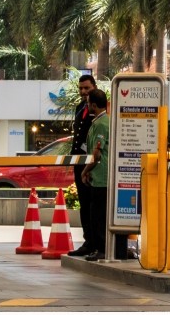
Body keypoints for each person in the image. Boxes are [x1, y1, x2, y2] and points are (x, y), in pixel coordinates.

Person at [78, 89, 131, 261]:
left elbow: (97, 154)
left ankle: (102, 249)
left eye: (88, 102)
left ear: (93, 104)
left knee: (98, 216)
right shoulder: (107, 121)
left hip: (101, 177)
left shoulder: (101, 124)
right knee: (108, 214)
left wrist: (85, 172)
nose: (87, 105)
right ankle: (117, 250)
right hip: (109, 176)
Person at [67, 76, 104, 258]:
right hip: (79, 161)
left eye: (87, 88)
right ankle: (88, 241)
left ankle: (97, 243)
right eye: (81, 88)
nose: (83, 92)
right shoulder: (80, 108)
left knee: (93, 205)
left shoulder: (100, 109)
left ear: (94, 87)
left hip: (92, 165)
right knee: (84, 204)